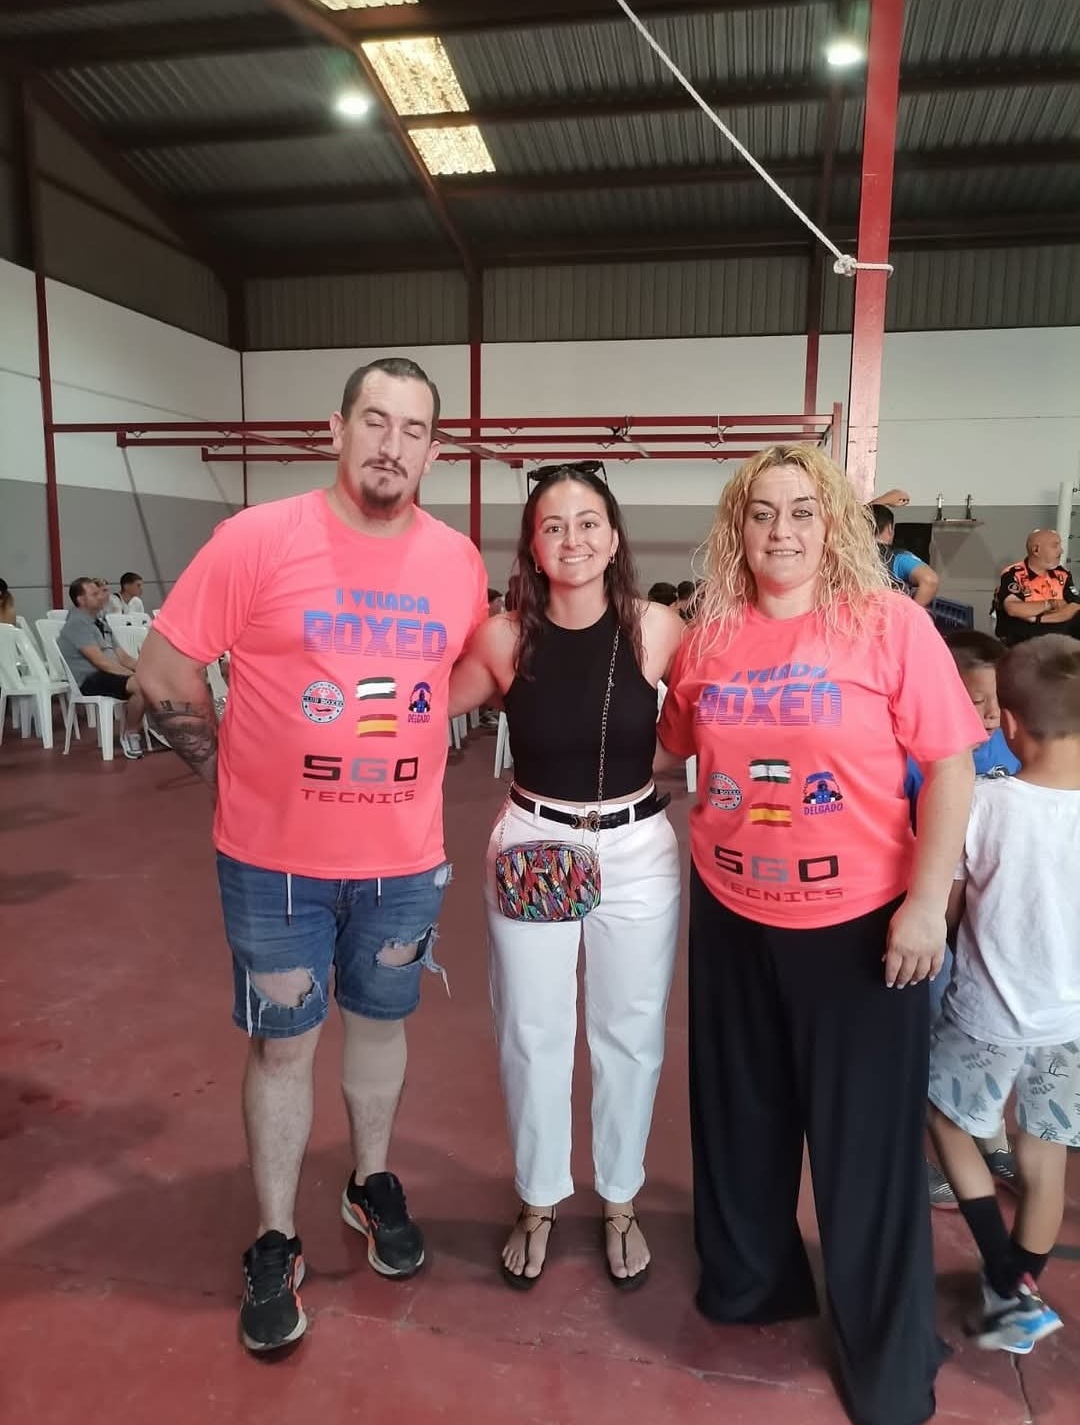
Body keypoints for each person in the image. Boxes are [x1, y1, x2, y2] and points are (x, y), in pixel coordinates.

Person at [136, 356, 489, 1354]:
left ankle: (369, 1183)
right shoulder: (257, 540)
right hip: (274, 862)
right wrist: (231, 771)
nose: (390, 444)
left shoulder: (455, 561)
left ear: (432, 451)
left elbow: (466, 668)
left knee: (380, 1025)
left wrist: (418, 736)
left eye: (412, 429)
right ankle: (276, 1236)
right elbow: (164, 669)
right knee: (284, 1044)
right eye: (374, 420)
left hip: (402, 860)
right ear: (335, 430)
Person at [656, 444, 986, 1425]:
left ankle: (887, 1360)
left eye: (803, 510)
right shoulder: (712, 635)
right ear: (738, 527)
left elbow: (952, 766)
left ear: (834, 522)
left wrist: (925, 902)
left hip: (859, 928)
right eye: (763, 513)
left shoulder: (889, 625)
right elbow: (678, 743)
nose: (783, 530)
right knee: (741, 1115)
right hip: (731, 912)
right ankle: (753, 1281)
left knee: (864, 1148)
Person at [449, 463, 684, 1290]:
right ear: (532, 545)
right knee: (534, 1029)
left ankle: (619, 1198)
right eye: (554, 525)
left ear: (614, 538)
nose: (573, 539)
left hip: (636, 846)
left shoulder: (657, 628)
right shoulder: (503, 638)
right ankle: (539, 1195)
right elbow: (421, 705)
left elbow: (700, 720)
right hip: (537, 842)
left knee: (631, 1030)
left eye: (588, 523)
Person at [928, 635, 1080, 1354]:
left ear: (1008, 724)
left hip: (986, 1014)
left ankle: (1005, 1277)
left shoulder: (984, 803)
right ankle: (1020, 1287)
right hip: (1070, 1023)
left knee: (946, 1119)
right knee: (1044, 1157)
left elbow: (948, 910)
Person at [904, 631, 1021, 1210]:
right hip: (935, 923)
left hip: (993, 929)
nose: (993, 715)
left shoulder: (1018, 749)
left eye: (1000, 701)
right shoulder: (914, 757)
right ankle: (913, 1153)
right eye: (977, 702)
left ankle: (989, 1133)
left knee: (988, 1042)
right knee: (925, 1036)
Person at [58, 576, 147, 759]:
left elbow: (123, 656)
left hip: (108, 673)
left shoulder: (100, 622)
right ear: (81, 600)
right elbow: (100, 662)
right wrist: (133, 676)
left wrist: (145, 669)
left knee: (152, 679)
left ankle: (162, 728)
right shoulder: (77, 624)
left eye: (100, 592)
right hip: (91, 679)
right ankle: (131, 734)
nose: (101, 596)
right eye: (95, 594)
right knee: (140, 685)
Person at [993, 529, 1080, 643]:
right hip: (1023, 641)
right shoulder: (1013, 574)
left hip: (1059, 639)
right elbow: (1013, 608)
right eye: (1055, 546)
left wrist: (1037, 618)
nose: (1061, 551)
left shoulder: (1062, 574)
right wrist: (1051, 604)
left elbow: (1075, 607)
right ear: (1036, 550)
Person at [871, 504, 939, 607]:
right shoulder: (896, 557)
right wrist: (910, 612)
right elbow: (930, 580)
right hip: (890, 613)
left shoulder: (850, 556)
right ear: (890, 528)